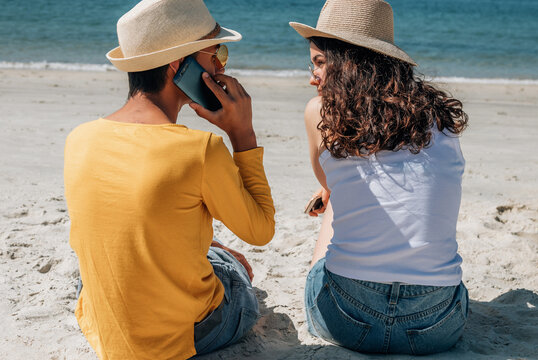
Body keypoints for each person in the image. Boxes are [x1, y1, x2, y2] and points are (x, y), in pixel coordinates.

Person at [64, 0, 275, 359]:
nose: (221, 65)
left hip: (104, 324)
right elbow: (261, 230)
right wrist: (243, 135)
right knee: (236, 271)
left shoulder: (79, 137)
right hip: (180, 335)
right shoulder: (200, 149)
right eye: (216, 54)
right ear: (180, 66)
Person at [290, 0, 469, 355]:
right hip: (435, 326)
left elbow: (328, 182)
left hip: (348, 318)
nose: (313, 77)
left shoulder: (320, 112)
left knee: (333, 198)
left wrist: (329, 192)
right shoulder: (440, 118)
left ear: (349, 62)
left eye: (320, 62)